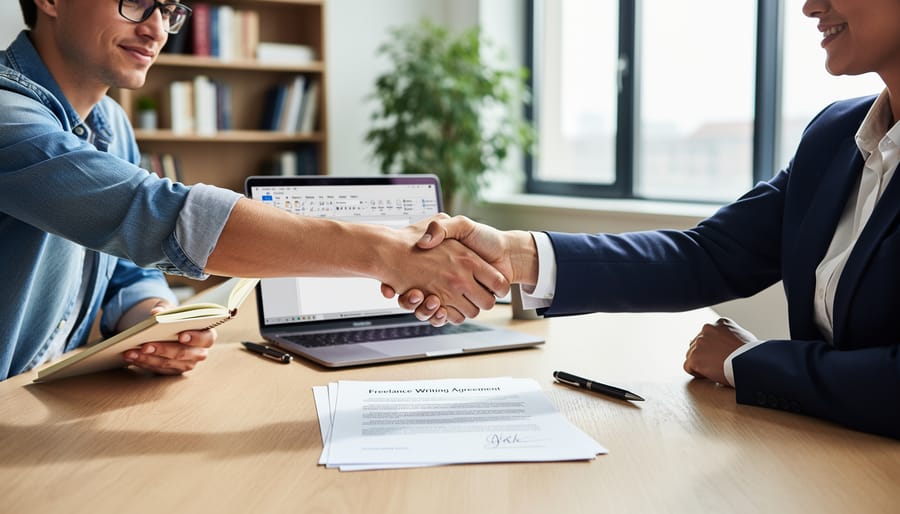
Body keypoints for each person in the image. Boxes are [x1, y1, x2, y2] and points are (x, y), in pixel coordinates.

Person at [386, 0, 900, 439]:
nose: (809, 5)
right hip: (822, 454)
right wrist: (516, 254)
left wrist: (746, 361)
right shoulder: (834, 135)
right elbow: (704, 256)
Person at [0, 0, 507, 381]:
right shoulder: (9, 116)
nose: (156, 28)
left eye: (170, 10)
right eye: (134, 1)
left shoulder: (110, 121)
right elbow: (151, 215)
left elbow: (126, 270)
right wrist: (388, 252)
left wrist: (154, 320)